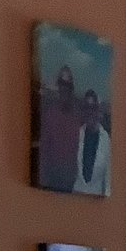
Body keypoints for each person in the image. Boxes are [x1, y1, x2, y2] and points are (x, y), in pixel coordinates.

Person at [37, 63, 80, 192]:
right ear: (58, 86)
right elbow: (44, 150)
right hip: (52, 181)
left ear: (71, 88)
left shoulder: (78, 115)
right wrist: (44, 181)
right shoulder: (49, 114)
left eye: (67, 85)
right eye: (62, 84)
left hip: (73, 182)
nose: (64, 88)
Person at [73, 89, 110, 196]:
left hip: (96, 199)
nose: (90, 112)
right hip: (75, 197)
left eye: (93, 107)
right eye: (86, 107)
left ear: (98, 110)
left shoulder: (106, 140)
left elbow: (108, 180)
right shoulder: (77, 135)